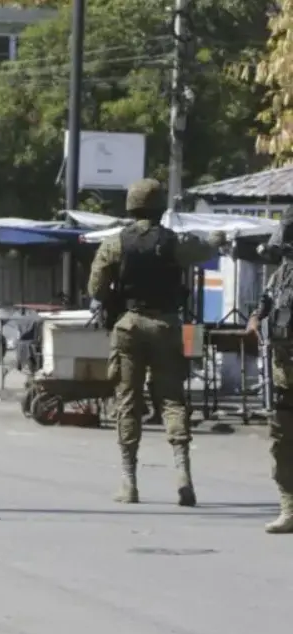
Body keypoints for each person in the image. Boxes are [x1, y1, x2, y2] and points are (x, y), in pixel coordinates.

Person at [87, 178, 211, 505]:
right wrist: (215, 237)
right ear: (159, 207)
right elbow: (204, 250)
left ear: (131, 205)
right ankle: (183, 476)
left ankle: (129, 483)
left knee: (128, 399)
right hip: (167, 325)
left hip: (128, 327)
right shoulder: (173, 243)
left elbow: (95, 288)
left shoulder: (115, 244)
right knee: (172, 399)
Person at [246, 206, 293, 533]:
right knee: (282, 440)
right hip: (284, 371)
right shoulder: (283, 273)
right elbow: (266, 302)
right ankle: (289, 509)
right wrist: (255, 318)